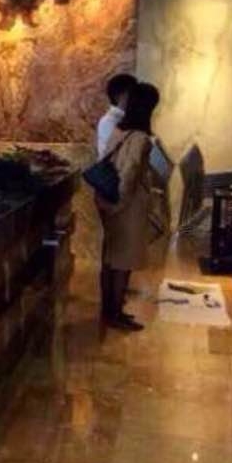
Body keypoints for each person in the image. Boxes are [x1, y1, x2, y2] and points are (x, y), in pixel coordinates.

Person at [97, 81, 161, 330]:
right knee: (123, 263)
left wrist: (110, 205)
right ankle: (115, 314)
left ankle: (109, 311)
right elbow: (129, 174)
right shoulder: (141, 138)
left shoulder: (119, 131)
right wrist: (118, 205)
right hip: (127, 208)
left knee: (111, 260)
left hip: (111, 202)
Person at [96, 73, 136, 158]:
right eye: (132, 93)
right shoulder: (108, 121)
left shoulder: (131, 118)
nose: (136, 98)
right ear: (118, 97)